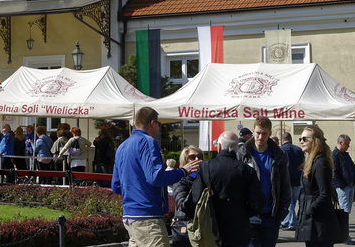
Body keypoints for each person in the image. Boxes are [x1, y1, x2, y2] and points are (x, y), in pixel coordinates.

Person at [112, 106, 201, 247]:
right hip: (148, 216)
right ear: (153, 123)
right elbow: (156, 177)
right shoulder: (147, 142)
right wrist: (184, 171)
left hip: (130, 216)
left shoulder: (122, 147)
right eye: (159, 124)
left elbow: (116, 186)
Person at [188, 131, 263, 247]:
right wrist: (244, 212)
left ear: (219, 146)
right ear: (236, 148)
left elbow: (195, 198)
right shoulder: (247, 170)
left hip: (211, 227)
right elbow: (257, 202)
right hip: (239, 228)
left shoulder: (205, 167)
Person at [236, 116, 293, 247]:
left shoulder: (278, 155)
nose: (260, 137)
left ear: (270, 133)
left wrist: (281, 213)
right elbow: (237, 185)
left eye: (264, 133)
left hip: (271, 216)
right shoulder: (243, 154)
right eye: (258, 133)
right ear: (253, 131)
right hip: (249, 215)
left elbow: (285, 185)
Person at [296, 126, 342, 247]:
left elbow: (325, 194)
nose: (301, 142)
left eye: (305, 139)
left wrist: (309, 209)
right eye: (300, 139)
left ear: (316, 140)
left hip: (320, 222)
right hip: (313, 221)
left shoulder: (320, 162)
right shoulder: (312, 161)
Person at [171, 146, 203, 247]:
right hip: (186, 228)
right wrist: (197, 185)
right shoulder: (180, 180)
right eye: (193, 157)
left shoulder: (205, 178)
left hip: (203, 228)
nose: (197, 159)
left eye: (199, 156)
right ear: (185, 160)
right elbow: (183, 205)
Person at [332, 134, 355, 246]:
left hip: (349, 186)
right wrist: (342, 185)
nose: (348, 146)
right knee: (344, 212)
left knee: (346, 212)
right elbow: (334, 172)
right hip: (344, 187)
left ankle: (344, 235)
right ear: (340, 143)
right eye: (347, 144)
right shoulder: (335, 155)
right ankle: (345, 237)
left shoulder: (345, 155)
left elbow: (351, 168)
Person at [281, 131, 306, 230]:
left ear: (282, 140)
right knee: (293, 201)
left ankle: (292, 222)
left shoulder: (281, 150)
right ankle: (287, 220)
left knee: (289, 202)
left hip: (286, 179)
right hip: (298, 178)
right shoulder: (299, 149)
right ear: (291, 139)